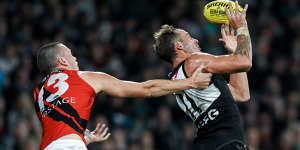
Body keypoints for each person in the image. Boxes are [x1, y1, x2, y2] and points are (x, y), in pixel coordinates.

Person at [33, 40, 212, 149]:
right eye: (71, 55)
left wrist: (83, 138)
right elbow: (146, 89)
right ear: (62, 60)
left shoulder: (38, 93)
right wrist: (190, 83)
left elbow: (57, 135)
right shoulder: (84, 78)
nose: (75, 58)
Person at [153, 1, 251, 150]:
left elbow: (240, 94)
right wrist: (242, 28)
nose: (196, 40)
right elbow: (245, 61)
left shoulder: (178, 79)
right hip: (224, 144)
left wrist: (233, 51)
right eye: (189, 37)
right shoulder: (194, 61)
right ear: (179, 46)